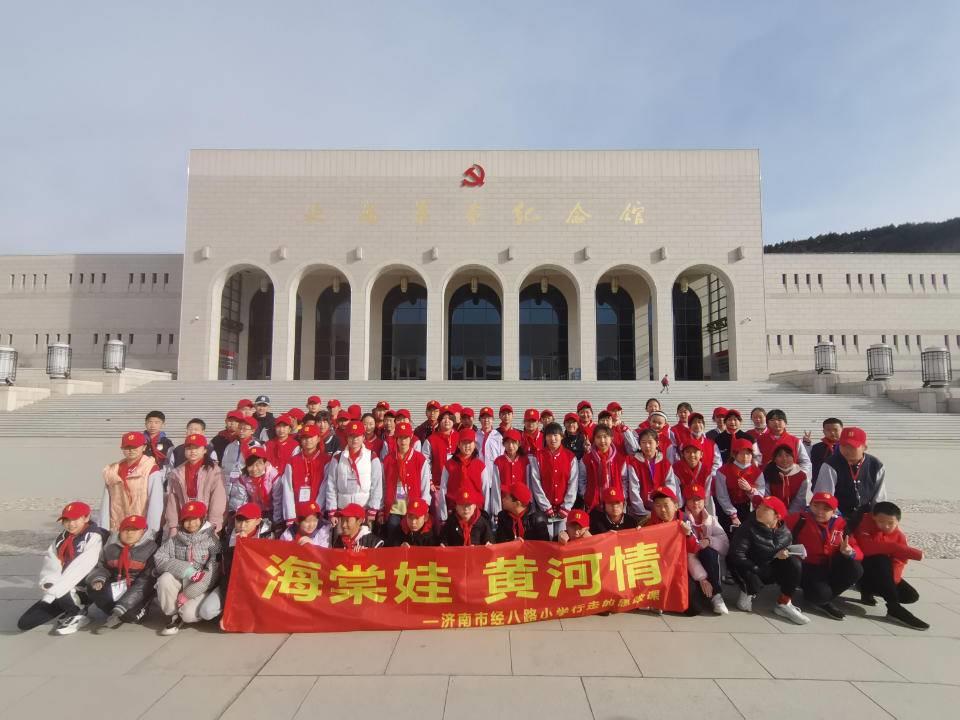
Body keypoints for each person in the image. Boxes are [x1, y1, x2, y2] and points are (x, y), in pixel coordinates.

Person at [17, 501, 108, 634]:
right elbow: (51, 562)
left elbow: (82, 566)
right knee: (26, 622)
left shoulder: (94, 536)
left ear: (86, 518)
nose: (70, 524)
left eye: (75, 519)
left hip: (87, 586)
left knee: (65, 593)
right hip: (62, 589)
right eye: (66, 520)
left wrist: (57, 589)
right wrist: (49, 583)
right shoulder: (62, 539)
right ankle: (69, 607)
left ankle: (77, 612)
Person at [727, 496, 810, 624]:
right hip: (750, 567)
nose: (759, 510)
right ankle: (747, 591)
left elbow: (782, 554)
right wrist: (757, 568)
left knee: (794, 563)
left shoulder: (785, 533)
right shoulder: (747, 527)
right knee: (747, 574)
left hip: (768, 566)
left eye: (765, 509)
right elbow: (737, 555)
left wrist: (783, 554)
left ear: (777, 516)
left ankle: (784, 603)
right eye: (759, 506)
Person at [786, 491, 864, 620]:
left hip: (830, 565)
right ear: (810, 505)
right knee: (820, 594)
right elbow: (778, 529)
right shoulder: (799, 519)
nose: (820, 512)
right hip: (807, 566)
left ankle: (823, 597)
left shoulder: (841, 524)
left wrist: (850, 551)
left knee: (856, 568)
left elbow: (858, 551)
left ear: (833, 511)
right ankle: (820, 596)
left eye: (826, 509)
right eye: (816, 506)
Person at [854, 501, 928, 629]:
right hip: (862, 571)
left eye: (890, 523)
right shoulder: (864, 524)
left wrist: (892, 582)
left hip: (882, 575)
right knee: (881, 559)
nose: (886, 526)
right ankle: (894, 607)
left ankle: (870, 591)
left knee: (910, 596)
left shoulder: (899, 536)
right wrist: (901, 549)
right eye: (881, 522)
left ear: (898, 522)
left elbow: (900, 561)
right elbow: (867, 548)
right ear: (874, 517)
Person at [154, 501, 222, 635]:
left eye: (195, 519)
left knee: (188, 615)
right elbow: (159, 557)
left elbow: (212, 574)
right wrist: (187, 570)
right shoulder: (175, 539)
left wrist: (187, 594)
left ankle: (185, 613)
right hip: (181, 581)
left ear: (202, 519)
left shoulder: (212, 541)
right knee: (165, 579)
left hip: (201, 586)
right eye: (187, 520)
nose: (191, 524)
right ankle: (173, 615)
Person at [85, 514, 158, 631]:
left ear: (143, 531)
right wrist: (99, 578)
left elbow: (146, 580)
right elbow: (102, 567)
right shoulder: (110, 548)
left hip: (140, 589)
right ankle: (114, 613)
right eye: (126, 530)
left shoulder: (151, 548)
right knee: (94, 587)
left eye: (135, 530)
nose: (129, 533)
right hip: (118, 584)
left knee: (131, 616)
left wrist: (124, 604)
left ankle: (124, 611)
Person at [814, 426, 886, 523]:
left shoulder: (876, 465)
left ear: (864, 447)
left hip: (866, 517)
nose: (847, 450)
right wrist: (837, 520)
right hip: (837, 517)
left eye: (852, 447)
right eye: (843, 446)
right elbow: (824, 497)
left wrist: (878, 518)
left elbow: (879, 498)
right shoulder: (830, 465)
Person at [100, 431, 164, 534]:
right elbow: (106, 503)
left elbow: (156, 503)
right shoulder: (112, 471)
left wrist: (151, 531)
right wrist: (104, 529)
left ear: (144, 447)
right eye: (127, 447)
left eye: (135, 447)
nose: (131, 450)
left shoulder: (150, 469)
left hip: (140, 529)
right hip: (117, 529)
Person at [163, 432, 226, 537]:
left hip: (205, 521)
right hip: (185, 522)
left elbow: (218, 500)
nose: (192, 451)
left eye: (196, 448)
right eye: (189, 448)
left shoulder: (214, 471)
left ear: (204, 450)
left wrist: (213, 525)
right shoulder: (177, 472)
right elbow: (173, 501)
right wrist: (173, 525)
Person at [682, 484, 730, 615]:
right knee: (694, 607)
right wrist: (702, 577)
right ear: (686, 501)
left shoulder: (711, 520)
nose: (695, 503)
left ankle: (716, 595)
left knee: (709, 551)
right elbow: (687, 553)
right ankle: (706, 590)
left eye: (698, 499)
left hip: (709, 563)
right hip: (689, 565)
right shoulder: (682, 520)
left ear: (704, 501)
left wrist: (709, 540)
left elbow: (725, 545)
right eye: (691, 499)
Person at [323, 420, 384, 523]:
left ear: (363, 437)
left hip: (364, 511)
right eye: (351, 436)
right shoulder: (337, 457)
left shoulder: (371, 457)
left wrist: (373, 509)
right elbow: (331, 485)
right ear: (347, 438)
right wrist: (332, 511)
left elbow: (377, 485)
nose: (354, 439)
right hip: (342, 510)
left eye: (358, 436)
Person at [380, 420, 431, 535]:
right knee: (393, 534)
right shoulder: (388, 460)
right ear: (396, 439)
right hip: (394, 508)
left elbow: (425, 485)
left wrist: (424, 506)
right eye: (400, 438)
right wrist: (382, 508)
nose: (403, 441)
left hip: (413, 508)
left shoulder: (419, 459)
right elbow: (383, 485)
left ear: (411, 437)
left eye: (406, 438)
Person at [580, 425, 644, 517]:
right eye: (598, 437)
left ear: (611, 438)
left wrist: (623, 495)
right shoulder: (587, 459)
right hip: (594, 504)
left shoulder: (620, 459)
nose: (602, 440)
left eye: (605, 437)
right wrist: (586, 495)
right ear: (594, 439)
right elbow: (582, 480)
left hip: (616, 503)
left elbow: (624, 480)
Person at [529, 422, 580, 537]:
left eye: (556, 435)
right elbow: (536, 482)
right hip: (544, 510)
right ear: (545, 437)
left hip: (563, 509)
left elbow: (573, 483)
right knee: (547, 538)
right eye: (549, 435)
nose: (553, 439)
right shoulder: (538, 456)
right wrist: (546, 507)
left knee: (561, 539)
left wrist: (566, 507)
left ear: (561, 436)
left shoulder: (570, 457)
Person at [438, 428, 496, 522]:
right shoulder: (449, 465)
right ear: (458, 445)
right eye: (464, 442)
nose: (467, 446)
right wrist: (443, 515)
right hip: (455, 511)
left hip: (476, 513)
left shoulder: (480, 466)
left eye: (470, 442)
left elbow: (485, 491)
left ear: (474, 444)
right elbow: (443, 489)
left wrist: (486, 513)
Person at [280, 424, 329, 524]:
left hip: (317, 512)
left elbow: (325, 488)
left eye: (311, 437)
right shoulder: (292, 461)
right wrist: (290, 516)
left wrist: (316, 511)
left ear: (318, 439)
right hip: (297, 513)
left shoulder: (326, 460)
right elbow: (288, 490)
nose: (308, 441)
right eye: (305, 438)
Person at [715, 438, 765, 533]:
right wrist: (733, 515)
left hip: (748, 509)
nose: (745, 457)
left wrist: (750, 490)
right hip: (726, 509)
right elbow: (722, 496)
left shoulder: (757, 472)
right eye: (742, 453)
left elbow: (760, 496)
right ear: (734, 455)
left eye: (748, 453)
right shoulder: (722, 471)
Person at [227, 447, 283, 531]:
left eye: (258, 464)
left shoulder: (274, 476)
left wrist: (277, 522)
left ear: (265, 463)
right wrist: (242, 519)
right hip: (253, 512)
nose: (254, 469)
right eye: (251, 465)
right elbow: (241, 501)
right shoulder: (243, 478)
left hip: (273, 511)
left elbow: (278, 501)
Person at [756, 409, 812, 477]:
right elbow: (755, 462)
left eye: (779, 420)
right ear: (767, 424)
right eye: (772, 420)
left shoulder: (795, 441)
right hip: (766, 479)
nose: (776, 422)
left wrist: (799, 476)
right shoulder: (759, 440)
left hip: (791, 479)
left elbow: (805, 462)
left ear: (785, 423)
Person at [422, 407, 460, 505]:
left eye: (450, 418)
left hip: (458, 486)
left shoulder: (460, 437)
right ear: (439, 420)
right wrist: (429, 482)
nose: (447, 421)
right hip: (437, 486)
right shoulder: (431, 440)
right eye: (444, 418)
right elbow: (425, 464)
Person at [631, 428, 674, 513]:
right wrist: (642, 511)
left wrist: (665, 506)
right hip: (641, 510)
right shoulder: (634, 463)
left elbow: (670, 486)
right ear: (639, 444)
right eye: (643, 442)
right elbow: (634, 489)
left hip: (662, 509)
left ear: (657, 443)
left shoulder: (665, 463)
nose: (647, 446)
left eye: (650, 442)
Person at [666, 438, 716, 507]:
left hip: (700, 504)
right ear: (683, 454)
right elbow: (676, 491)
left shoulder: (706, 470)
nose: (692, 455)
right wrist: (680, 506)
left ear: (701, 454)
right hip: (682, 504)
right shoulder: (676, 468)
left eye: (695, 452)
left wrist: (704, 506)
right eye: (688, 452)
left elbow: (707, 492)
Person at [762, 444, 809, 514]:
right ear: (774, 459)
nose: (784, 459)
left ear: (793, 458)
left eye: (787, 455)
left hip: (794, 514)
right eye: (780, 456)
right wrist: (776, 514)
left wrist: (788, 516)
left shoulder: (801, 476)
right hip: (772, 513)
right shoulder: (768, 473)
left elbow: (799, 500)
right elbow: (767, 496)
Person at [220, 415, 264, 485]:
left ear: (252, 431)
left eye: (245, 429)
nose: (241, 431)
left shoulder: (256, 447)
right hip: (228, 484)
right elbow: (224, 465)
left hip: (247, 485)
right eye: (239, 428)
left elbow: (258, 470)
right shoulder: (230, 446)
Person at [491, 429, 529, 503]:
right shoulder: (498, 461)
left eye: (514, 442)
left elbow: (528, 484)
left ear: (519, 444)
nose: (510, 446)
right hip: (505, 502)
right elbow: (496, 486)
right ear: (503, 444)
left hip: (521, 503)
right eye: (507, 442)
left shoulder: (525, 461)